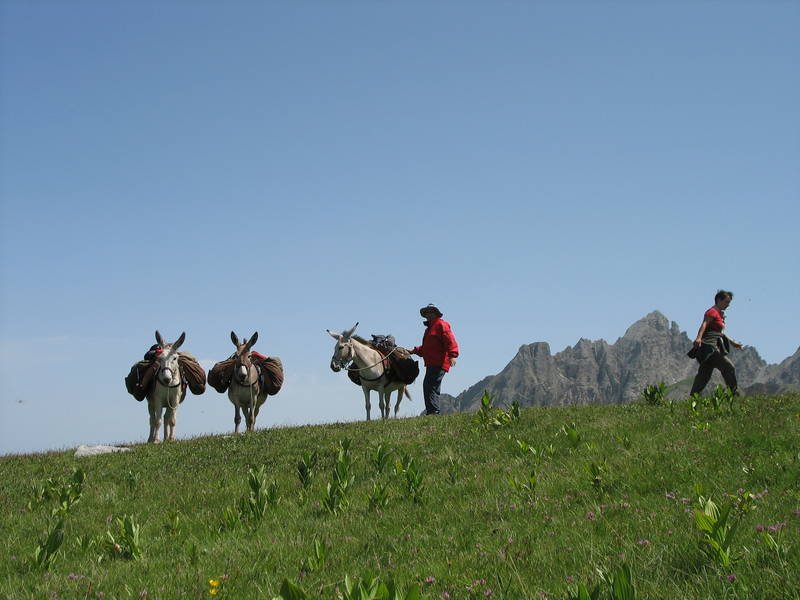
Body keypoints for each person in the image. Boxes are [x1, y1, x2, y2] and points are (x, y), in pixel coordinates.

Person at [689, 290, 743, 396]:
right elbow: (704, 324)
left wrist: (733, 343)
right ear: (719, 300)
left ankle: (693, 398)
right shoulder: (712, 312)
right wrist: (698, 338)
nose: (728, 305)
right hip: (709, 346)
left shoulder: (720, 315)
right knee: (728, 366)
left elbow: (720, 333)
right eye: (726, 302)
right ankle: (734, 393)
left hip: (709, 347)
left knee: (704, 374)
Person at [408, 303, 459, 415]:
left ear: (436, 313)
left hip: (440, 362)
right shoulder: (429, 330)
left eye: (431, 312)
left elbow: (450, 340)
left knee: (429, 385)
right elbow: (426, 348)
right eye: (427, 313)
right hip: (431, 363)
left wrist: (453, 355)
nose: (428, 315)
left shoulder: (441, 325)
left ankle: (433, 412)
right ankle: (433, 411)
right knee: (431, 386)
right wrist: (413, 351)